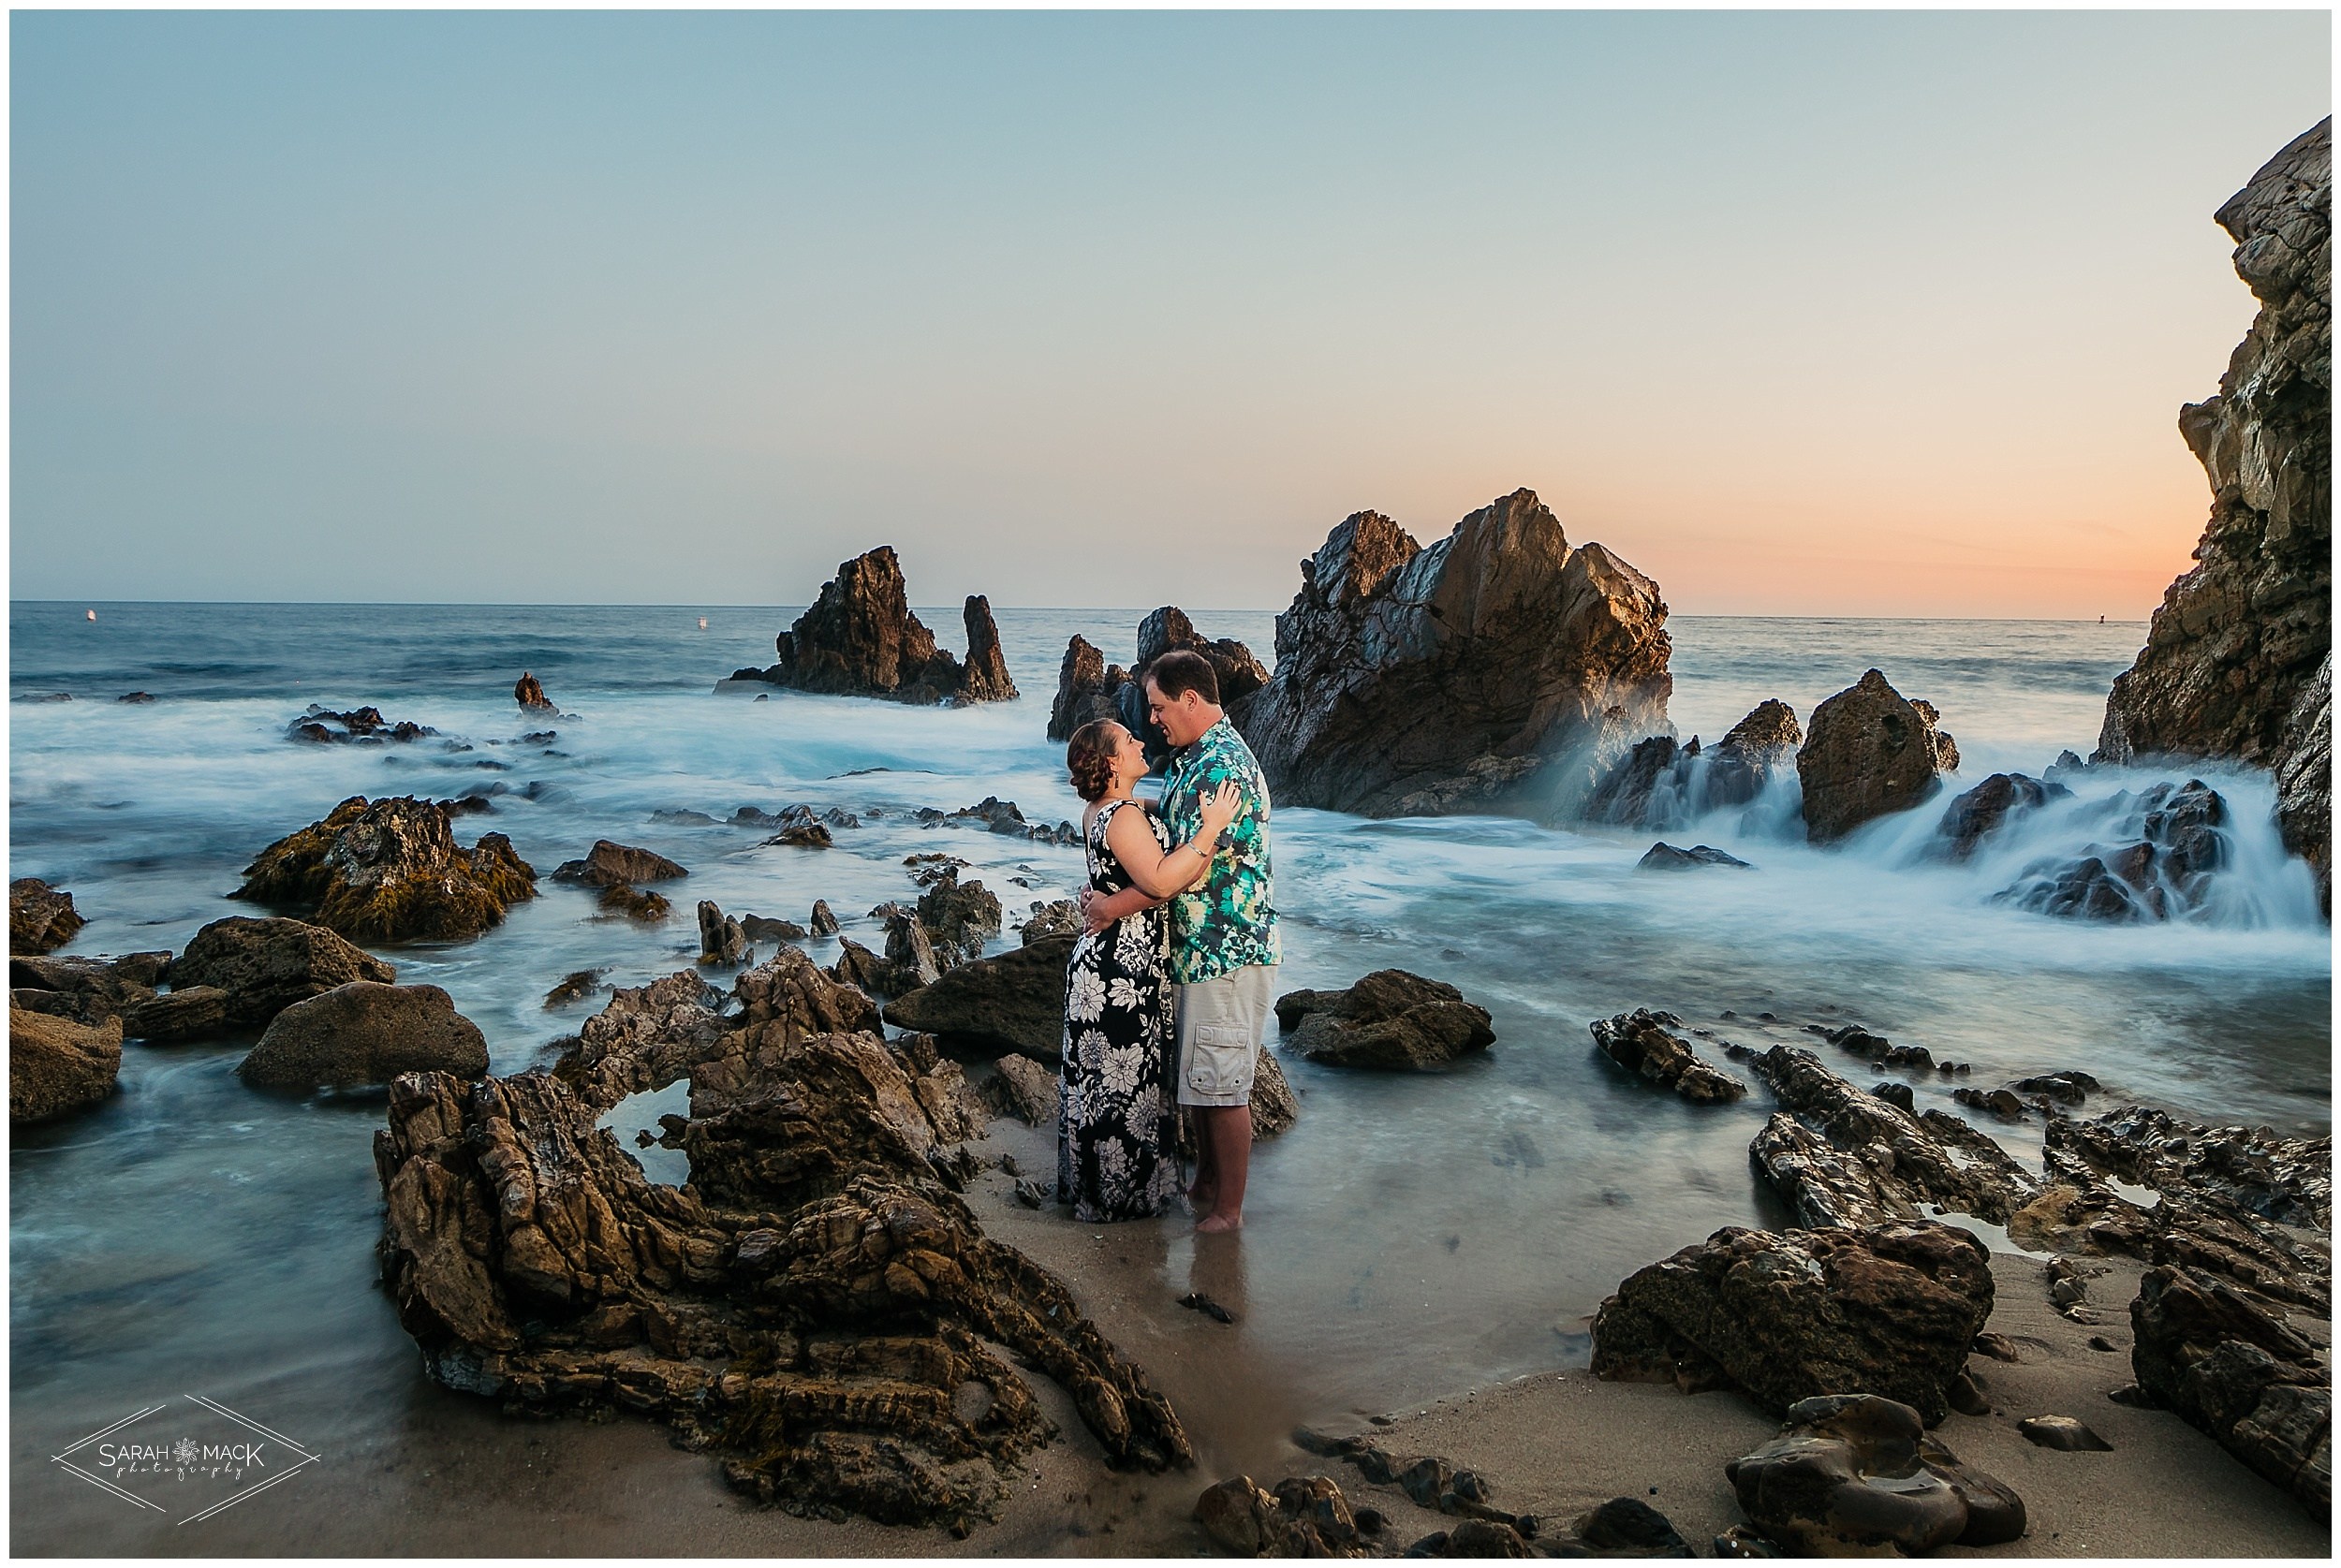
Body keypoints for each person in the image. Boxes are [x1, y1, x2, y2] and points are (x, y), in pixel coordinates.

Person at [1082, 649, 1278, 1234]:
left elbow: (1177, 871)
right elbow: (1173, 824)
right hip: (1200, 949)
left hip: (1228, 948)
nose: (1154, 718)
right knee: (1201, 1077)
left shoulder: (1221, 768)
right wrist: (1125, 804)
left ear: (1190, 700)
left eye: (1160, 706)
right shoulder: (1196, 757)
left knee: (1223, 1085)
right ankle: (1206, 1183)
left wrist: (1112, 904)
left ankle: (1229, 1210)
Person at [1058, 718, 1241, 1224]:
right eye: (1129, 741)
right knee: (1121, 1085)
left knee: (1113, 1085)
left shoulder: (1112, 809)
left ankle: (1109, 1191)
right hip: (1120, 969)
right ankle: (1120, 1200)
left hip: (1114, 962)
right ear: (1113, 762)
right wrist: (1211, 828)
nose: (1141, 742)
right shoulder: (1120, 818)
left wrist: (1183, 807)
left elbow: (1148, 844)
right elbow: (1161, 880)